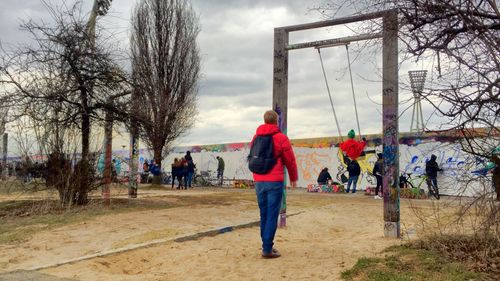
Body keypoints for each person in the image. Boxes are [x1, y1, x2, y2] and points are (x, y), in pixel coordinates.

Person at [249, 110, 298, 259]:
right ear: (277, 121)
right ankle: (267, 249)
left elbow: (253, 156)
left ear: (264, 120)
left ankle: (266, 244)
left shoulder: (256, 137)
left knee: (263, 213)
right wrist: (293, 177)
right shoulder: (281, 138)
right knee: (272, 214)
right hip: (275, 181)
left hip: (259, 180)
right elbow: (290, 160)